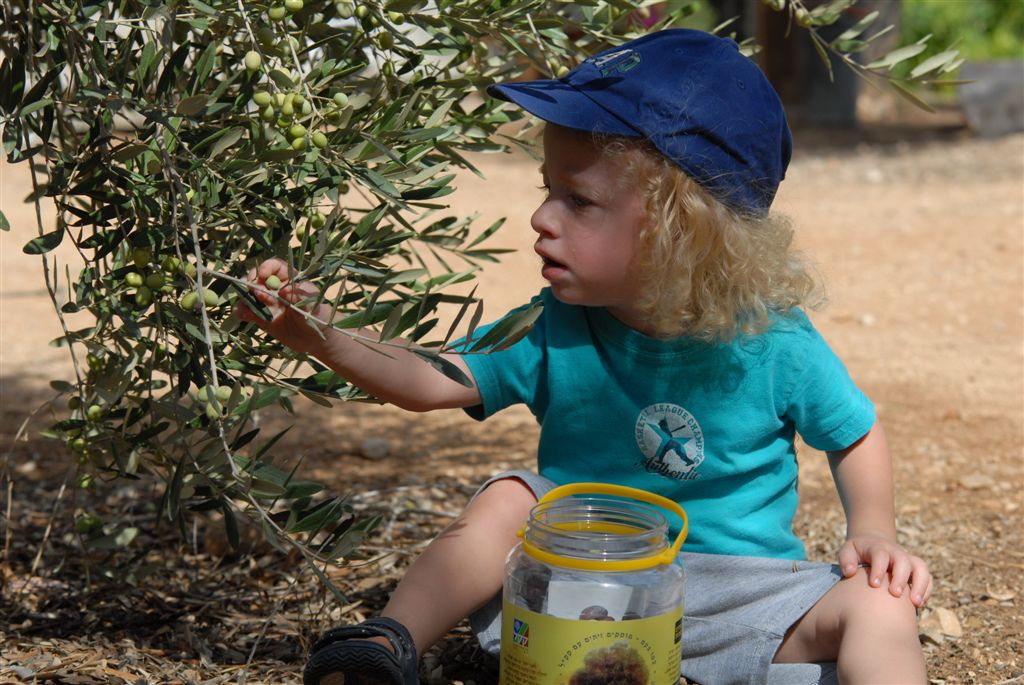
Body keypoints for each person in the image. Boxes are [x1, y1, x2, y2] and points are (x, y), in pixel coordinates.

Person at [235, 28, 933, 685]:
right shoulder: (553, 325)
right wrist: (322, 334)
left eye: (579, 198)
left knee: (879, 604)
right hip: (580, 585)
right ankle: (388, 642)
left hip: (743, 596)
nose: (542, 217)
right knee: (514, 498)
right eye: (548, 188)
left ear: (680, 230)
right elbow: (430, 379)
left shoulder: (774, 338)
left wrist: (871, 531)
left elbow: (856, 430)